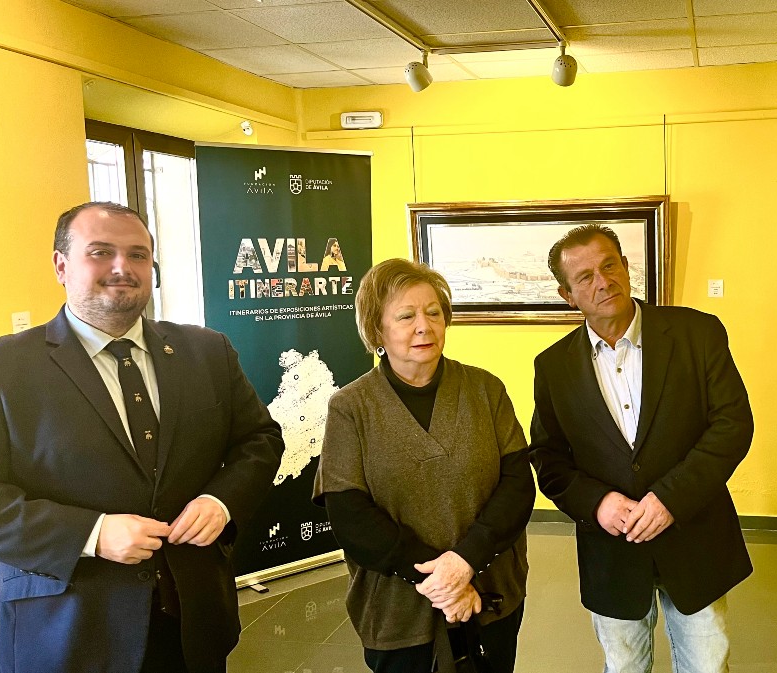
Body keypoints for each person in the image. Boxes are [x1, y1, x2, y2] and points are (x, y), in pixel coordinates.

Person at [0, 202, 285, 673]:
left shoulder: (207, 351)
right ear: (61, 265)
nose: (122, 267)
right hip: (67, 631)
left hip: (193, 622)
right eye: (101, 252)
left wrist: (222, 501)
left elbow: (260, 439)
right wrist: (92, 534)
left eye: (138, 255)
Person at [529, 224, 754, 673]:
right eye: (586, 277)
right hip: (612, 550)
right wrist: (598, 503)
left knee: (708, 666)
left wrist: (670, 498)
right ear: (567, 295)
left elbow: (732, 426)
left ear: (627, 266)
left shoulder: (697, 332)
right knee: (624, 666)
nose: (603, 281)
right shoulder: (553, 366)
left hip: (694, 537)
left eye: (609, 265)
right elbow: (549, 459)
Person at [314, 258, 533, 673]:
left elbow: (518, 486)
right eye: (406, 316)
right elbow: (350, 517)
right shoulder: (350, 408)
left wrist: (465, 562)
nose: (424, 326)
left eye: (433, 313)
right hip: (397, 608)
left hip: (490, 592)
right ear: (377, 330)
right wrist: (442, 581)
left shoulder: (485, 389)